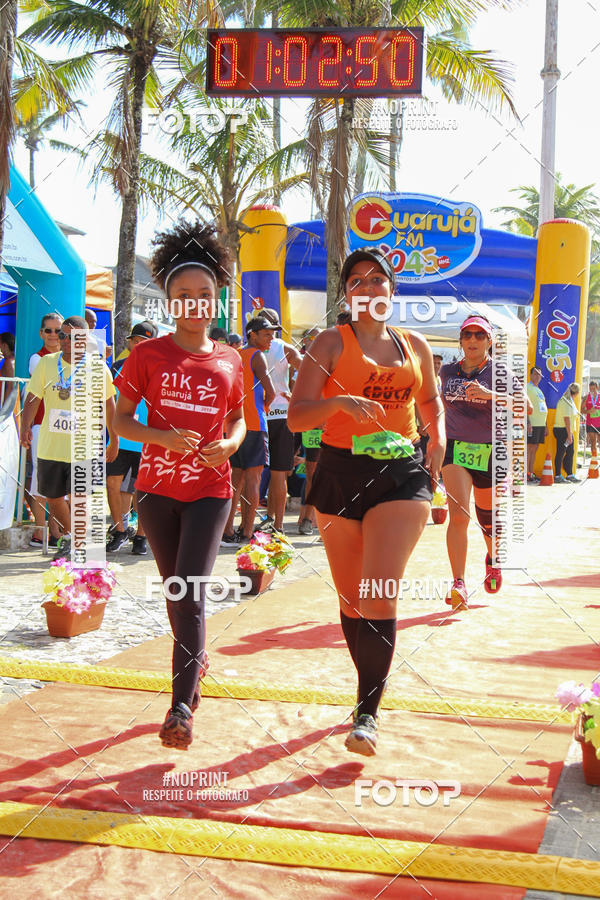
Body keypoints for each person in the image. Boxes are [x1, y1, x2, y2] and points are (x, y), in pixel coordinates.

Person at [288, 247, 444, 756]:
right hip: (339, 472)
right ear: (347, 294)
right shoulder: (330, 343)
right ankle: (369, 692)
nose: (369, 289)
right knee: (352, 598)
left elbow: (430, 404)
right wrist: (337, 404)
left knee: (379, 589)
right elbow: (296, 420)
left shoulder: (415, 344)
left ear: (392, 291)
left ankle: (367, 714)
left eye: (378, 280)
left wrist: (435, 446)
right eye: (357, 281)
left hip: (400, 475)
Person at [113, 221, 246, 750]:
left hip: (211, 492)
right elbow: (120, 421)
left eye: (204, 295)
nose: (194, 304)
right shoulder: (146, 356)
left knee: (188, 594)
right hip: (155, 492)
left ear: (217, 301)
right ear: (170, 301)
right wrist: (161, 437)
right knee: (177, 593)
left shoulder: (233, 359)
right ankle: (197, 662)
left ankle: (180, 709)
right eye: (183, 295)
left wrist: (232, 446)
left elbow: (239, 422)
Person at [440, 315, 531, 608]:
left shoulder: (501, 372)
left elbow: (525, 406)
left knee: (487, 519)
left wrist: (492, 395)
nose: (473, 341)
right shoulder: (446, 371)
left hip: (490, 451)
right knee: (458, 515)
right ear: (461, 341)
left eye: (480, 335)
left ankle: (493, 559)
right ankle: (459, 583)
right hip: (454, 449)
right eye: (467, 335)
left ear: (489, 341)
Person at [20, 316, 118, 560]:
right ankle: (75, 539)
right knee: (53, 497)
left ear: (84, 339)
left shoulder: (97, 368)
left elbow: (109, 404)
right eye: (62, 335)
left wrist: (114, 438)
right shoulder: (46, 363)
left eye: (71, 336)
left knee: (79, 499)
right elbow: (33, 396)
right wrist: (25, 425)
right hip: (51, 447)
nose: (64, 340)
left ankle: (75, 543)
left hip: (84, 447)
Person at [221, 316, 276, 545]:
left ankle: (227, 531)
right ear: (252, 334)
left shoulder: (234, 355)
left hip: (233, 426)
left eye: (272, 334)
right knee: (253, 479)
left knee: (234, 480)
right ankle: (246, 532)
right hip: (253, 425)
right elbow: (271, 392)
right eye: (266, 334)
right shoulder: (257, 355)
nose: (271, 338)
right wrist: (261, 409)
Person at [106, 323, 158, 555]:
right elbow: (109, 404)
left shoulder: (161, 369)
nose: (138, 345)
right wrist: (112, 437)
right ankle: (119, 531)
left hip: (148, 439)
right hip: (120, 438)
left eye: (144, 341)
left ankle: (141, 536)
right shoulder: (117, 367)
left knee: (143, 491)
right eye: (135, 340)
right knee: (112, 484)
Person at [259, 307, 302, 533]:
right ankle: (277, 524)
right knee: (278, 473)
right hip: (281, 415)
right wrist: (295, 397)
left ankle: (268, 520)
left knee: (253, 473)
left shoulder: (251, 349)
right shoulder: (285, 348)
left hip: (259, 415)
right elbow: (311, 368)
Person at [27, 314, 64, 547]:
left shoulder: (71, 359)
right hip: (43, 426)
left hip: (65, 428)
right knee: (41, 478)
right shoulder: (36, 359)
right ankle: (40, 532)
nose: (53, 335)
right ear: (41, 333)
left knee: (61, 481)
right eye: (48, 331)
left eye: (57, 331)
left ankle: (56, 531)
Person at [297, 327, 323, 535]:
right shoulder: (300, 363)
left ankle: (325, 520)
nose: (312, 342)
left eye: (316, 338)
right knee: (311, 474)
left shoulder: (333, 360)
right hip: (311, 427)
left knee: (336, 474)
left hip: (334, 426)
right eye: (310, 339)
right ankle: (306, 518)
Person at [554, 382, 581, 483]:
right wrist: (569, 435)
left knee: (570, 452)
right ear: (577, 393)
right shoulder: (565, 401)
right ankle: (557, 475)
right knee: (561, 452)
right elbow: (566, 419)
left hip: (567, 430)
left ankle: (569, 473)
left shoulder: (570, 401)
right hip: (562, 430)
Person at [526, 366, 548, 483]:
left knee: (535, 448)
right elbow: (524, 406)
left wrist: (546, 426)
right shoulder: (527, 388)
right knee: (530, 448)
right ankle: (526, 473)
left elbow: (543, 407)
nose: (537, 376)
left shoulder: (538, 390)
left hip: (540, 424)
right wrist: (528, 422)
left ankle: (531, 472)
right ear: (530, 375)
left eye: (539, 375)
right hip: (532, 423)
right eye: (535, 374)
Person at [584, 380, 600, 461]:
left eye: (593, 389)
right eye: (590, 389)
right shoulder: (587, 397)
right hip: (590, 423)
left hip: (599, 423)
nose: (592, 391)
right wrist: (588, 411)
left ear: (597, 388)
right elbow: (581, 410)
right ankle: (594, 460)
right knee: (593, 442)